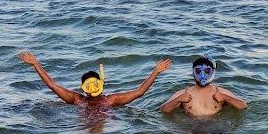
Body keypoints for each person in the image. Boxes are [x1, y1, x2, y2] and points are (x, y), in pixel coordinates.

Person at [19, 51, 172, 107]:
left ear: (101, 84)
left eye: (95, 84)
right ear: (82, 88)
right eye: (88, 85)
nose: (92, 88)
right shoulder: (76, 99)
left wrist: (156, 71)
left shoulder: (111, 100)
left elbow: (140, 92)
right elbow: (52, 85)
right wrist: (35, 64)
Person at [160, 56, 247, 117]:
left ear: (212, 73)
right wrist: (178, 99)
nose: (202, 75)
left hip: (216, 132)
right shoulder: (184, 93)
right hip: (193, 133)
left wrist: (226, 98)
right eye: (198, 71)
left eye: (206, 71)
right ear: (193, 73)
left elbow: (243, 106)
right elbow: (163, 110)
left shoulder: (220, 92)